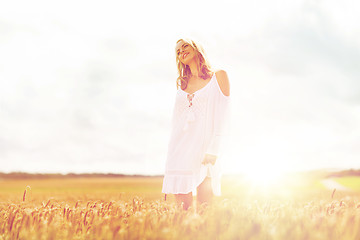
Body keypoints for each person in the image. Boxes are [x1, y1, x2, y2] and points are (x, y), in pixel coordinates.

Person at [162, 38, 230, 210]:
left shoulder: (219, 76)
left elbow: (224, 115)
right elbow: (176, 121)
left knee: (204, 206)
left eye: (185, 46)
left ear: (196, 48)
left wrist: (214, 148)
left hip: (205, 147)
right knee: (182, 210)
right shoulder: (182, 85)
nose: (181, 51)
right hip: (179, 148)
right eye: (177, 51)